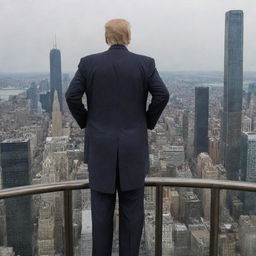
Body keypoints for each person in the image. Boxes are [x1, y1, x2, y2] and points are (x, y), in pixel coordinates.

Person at [65, 18, 169, 256]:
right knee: (132, 218)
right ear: (128, 37)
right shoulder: (145, 64)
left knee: (100, 218)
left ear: (106, 38)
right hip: (133, 150)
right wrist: (147, 122)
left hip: (101, 150)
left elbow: (72, 96)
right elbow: (162, 95)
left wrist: (88, 122)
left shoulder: (88, 64)